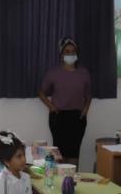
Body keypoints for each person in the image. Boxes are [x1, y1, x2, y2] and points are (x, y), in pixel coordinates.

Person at [38, 37, 92, 166]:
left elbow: (89, 95)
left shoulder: (84, 73)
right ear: (61, 54)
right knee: (60, 154)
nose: (70, 54)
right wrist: (51, 107)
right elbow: (41, 92)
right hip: (58, 117)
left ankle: (72, 178)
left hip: (77, 118)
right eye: (67, 51)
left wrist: (85, 109)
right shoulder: (53, 73)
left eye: (73, 51)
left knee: (74, 153)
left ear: (77, 53)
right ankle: (60, 178)